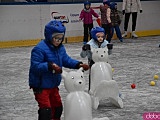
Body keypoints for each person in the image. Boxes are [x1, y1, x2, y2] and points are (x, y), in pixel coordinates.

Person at [29, 20, 89, 120]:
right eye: (56, 38)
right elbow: (35, 66)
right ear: (49, 36)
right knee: (46, 110)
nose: (58, 41)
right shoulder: (39, 49)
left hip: (53, 85)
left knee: (57, 108)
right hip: (41, 86)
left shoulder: (60, 48)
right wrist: (49, 66)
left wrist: (78, 64)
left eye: (61, 38)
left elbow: (66, 60)